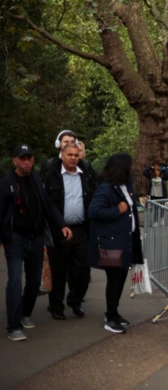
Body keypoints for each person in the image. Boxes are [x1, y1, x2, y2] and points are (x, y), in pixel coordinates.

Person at [0, 144, 72, 341]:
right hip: (15, 240)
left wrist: (62, 225)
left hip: (37, 238)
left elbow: (48, 205)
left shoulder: (37, 180)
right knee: (15, 281)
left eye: (29, 158)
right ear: (15, 160)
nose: (26, 162)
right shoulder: (7, 183)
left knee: (33, 282)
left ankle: (24, 313)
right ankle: (13, 326)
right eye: (22, 158)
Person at [88, 153, 143, 333]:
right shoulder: (106, 188)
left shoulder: (125, 186)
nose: (132, 168)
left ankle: (113, 312)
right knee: (114, 280)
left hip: (126, 239)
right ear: (122, 168)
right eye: (129, 165)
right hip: (113, 242)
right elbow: (94, 211)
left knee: (120, 279)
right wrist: (116, 210)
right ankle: (110, 316)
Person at [42, 143, 93, 320]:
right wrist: (59, 224)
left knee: (82, 269)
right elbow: (48, 205)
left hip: (81, 229)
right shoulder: (51, 176)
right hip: (59, 230)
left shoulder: (86, 176)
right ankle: (56, 305)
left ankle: (75, 300)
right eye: (69, 154)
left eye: (76, 155)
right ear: (62, 155)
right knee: (58, 270)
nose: (73, 158)